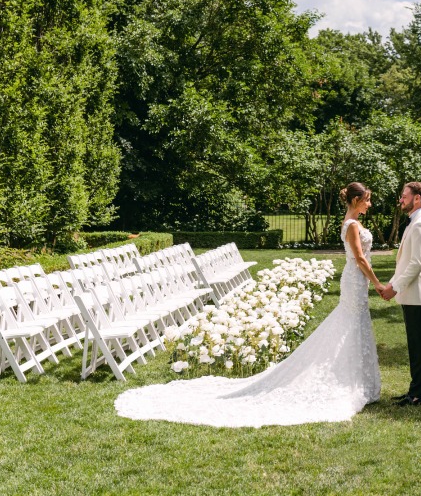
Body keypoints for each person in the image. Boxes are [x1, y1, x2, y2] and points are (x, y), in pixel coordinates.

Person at [114, 183, 382, 427]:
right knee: (350, 324)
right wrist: (379, 284)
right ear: (357, 200)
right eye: (367, 200)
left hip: (355, 282)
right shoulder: (353, 226)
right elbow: (359, 258)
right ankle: (352, 382)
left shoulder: (350, 222)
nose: (370, 204)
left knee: (352, 325)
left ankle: (357, 380)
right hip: (355, 278)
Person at [378, 181, 421, 406]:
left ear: (417, 199)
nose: (401, 199)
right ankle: (415, 390)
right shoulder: (415, 222)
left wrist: (395, 288)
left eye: (404, 196)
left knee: (418, 344)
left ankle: (418, 394)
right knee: (414, 344)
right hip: (411, 293)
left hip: (417, 294)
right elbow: (405, 262)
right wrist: (391, 283)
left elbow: (416, 264)